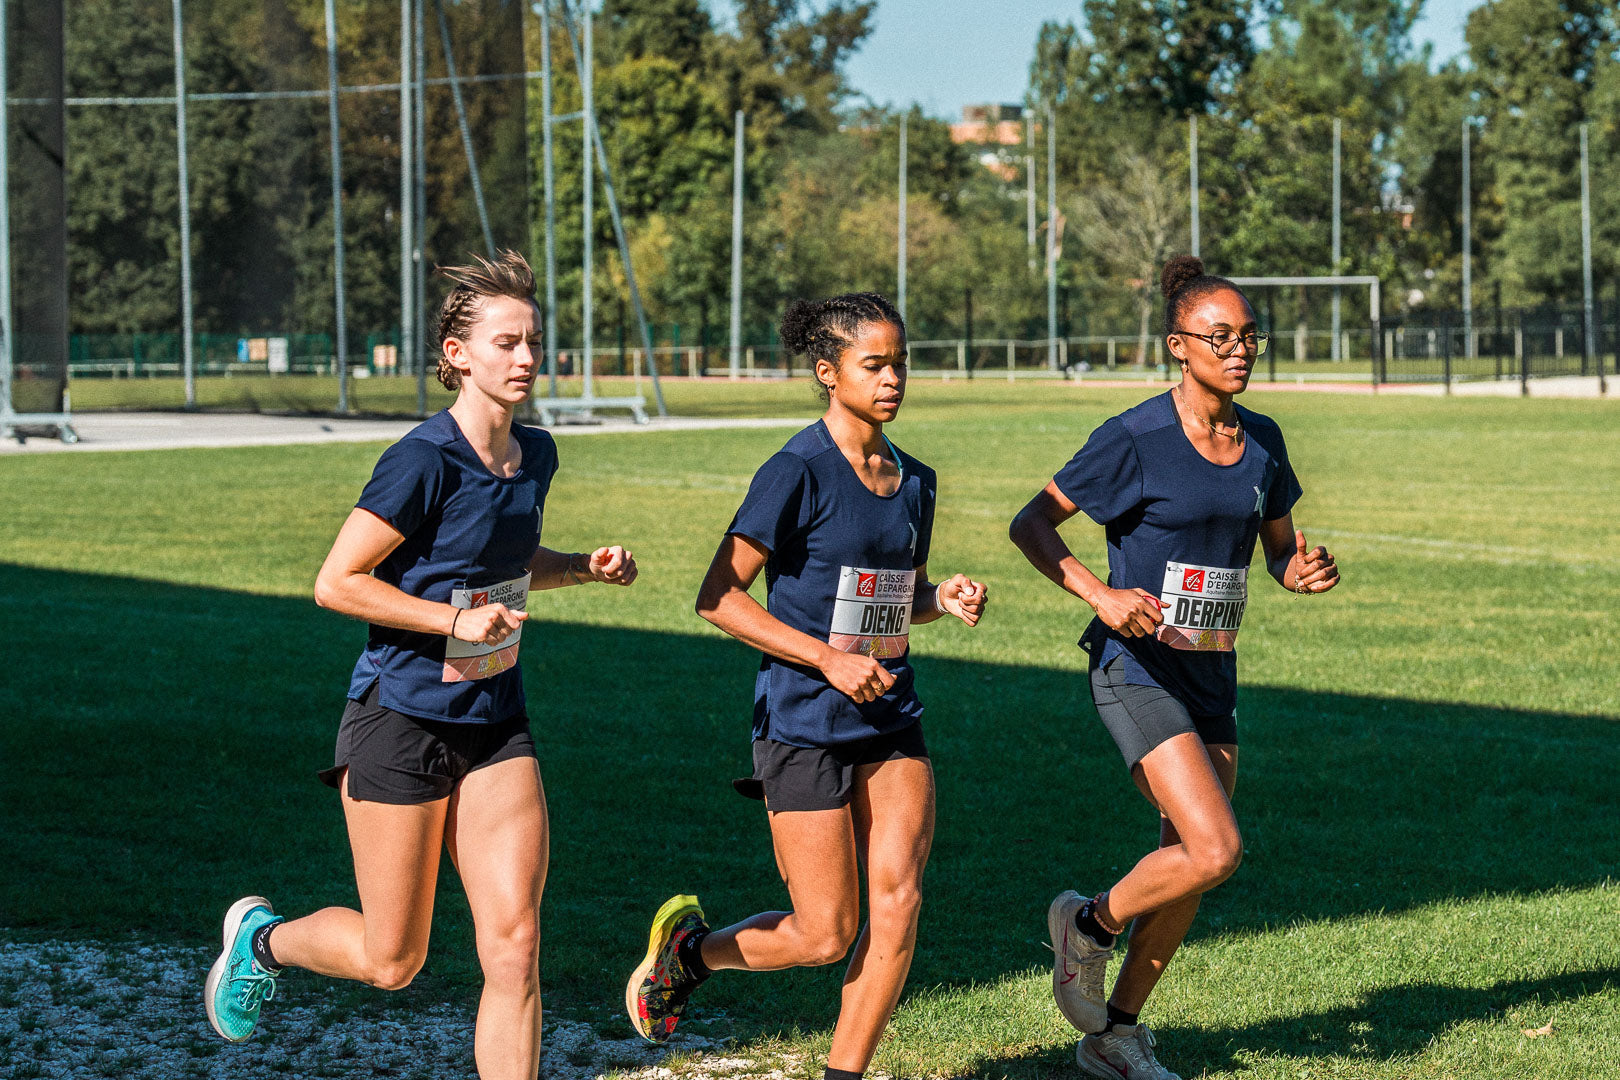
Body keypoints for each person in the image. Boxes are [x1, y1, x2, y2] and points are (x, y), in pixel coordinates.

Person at [203, 251, 638, 1080]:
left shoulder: (536, 454)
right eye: (506, 343)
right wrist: (453, 620)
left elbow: (501, 562)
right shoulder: (422, 461)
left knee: (514, 947)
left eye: (533, 342)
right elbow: (337, 582)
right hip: (399, 719)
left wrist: (582, 565)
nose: (525, 359)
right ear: (457, 355)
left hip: (496, 722)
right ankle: (263, 939)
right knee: (391, 958)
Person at [624, 293, 987, 1080]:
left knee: (898, 905)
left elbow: (897, 596)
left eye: (900, 364)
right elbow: (717, 596)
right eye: (874, 365)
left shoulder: (915, 480)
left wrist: (939, 599)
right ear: (828, 372)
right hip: (802, 720)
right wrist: (826, 660)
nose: (893, 379)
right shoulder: (796, 470)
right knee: (824, 932)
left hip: (890, 715)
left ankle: (842, 1074)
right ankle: (692, 955)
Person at [1009, 256, 1339, 1080]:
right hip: (1136, 665)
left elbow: (1277, 551)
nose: (1239, 350)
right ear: (1177, 345)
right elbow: (1032, 524)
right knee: (1215, 847)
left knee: (1185, 868)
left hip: (1211, 673)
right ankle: (1086, 924)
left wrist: (1299, 569)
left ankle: (1116, 1033)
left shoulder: (1262, 439)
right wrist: (1101, 593)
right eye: (1218, 336)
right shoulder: (1135, 438)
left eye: (1249, 336)